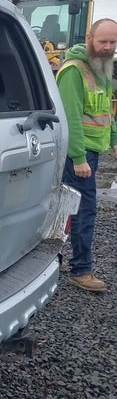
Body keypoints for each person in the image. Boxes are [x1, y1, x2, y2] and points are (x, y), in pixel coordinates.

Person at [57, 18, 117, 291]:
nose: (108, 47)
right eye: (103, 41)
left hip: (92, 151)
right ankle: (81, 270)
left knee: (68, 207)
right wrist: (79, 158)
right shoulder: (74, 71)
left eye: (113, 42)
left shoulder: (101, 69)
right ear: (89, 37)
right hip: (79, 156)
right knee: (83, 210)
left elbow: (106, 110)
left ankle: (57, 259)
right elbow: (70, 117)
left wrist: (114, 140)